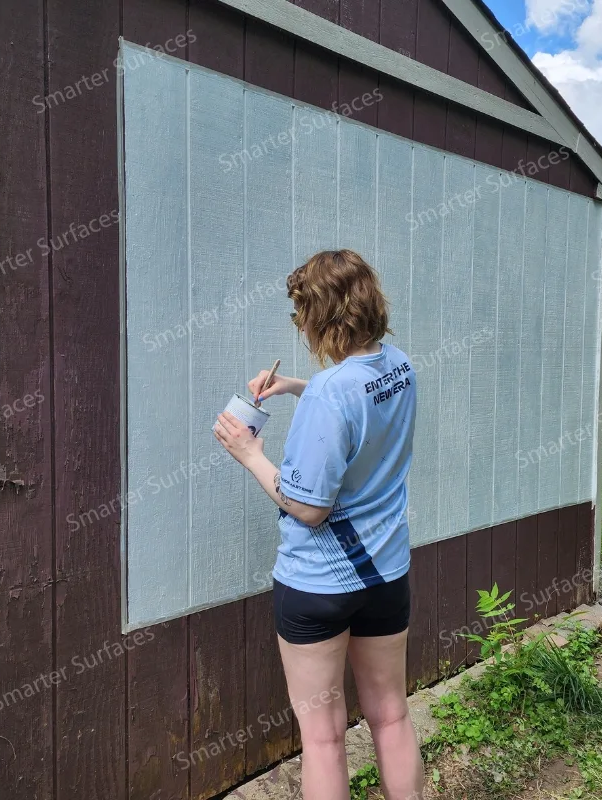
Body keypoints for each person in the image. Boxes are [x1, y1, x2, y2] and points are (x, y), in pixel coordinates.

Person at [213, 249, 422, 800]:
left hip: (319, 584)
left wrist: (249, 453)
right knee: (392, 716)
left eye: (301, 312)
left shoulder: (333, 392)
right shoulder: (399, 366)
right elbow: (359, 404)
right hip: (386, 575)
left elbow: (308, 507)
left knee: (325, 740)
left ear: (323, 316)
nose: (299, 324)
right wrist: (295, 387)